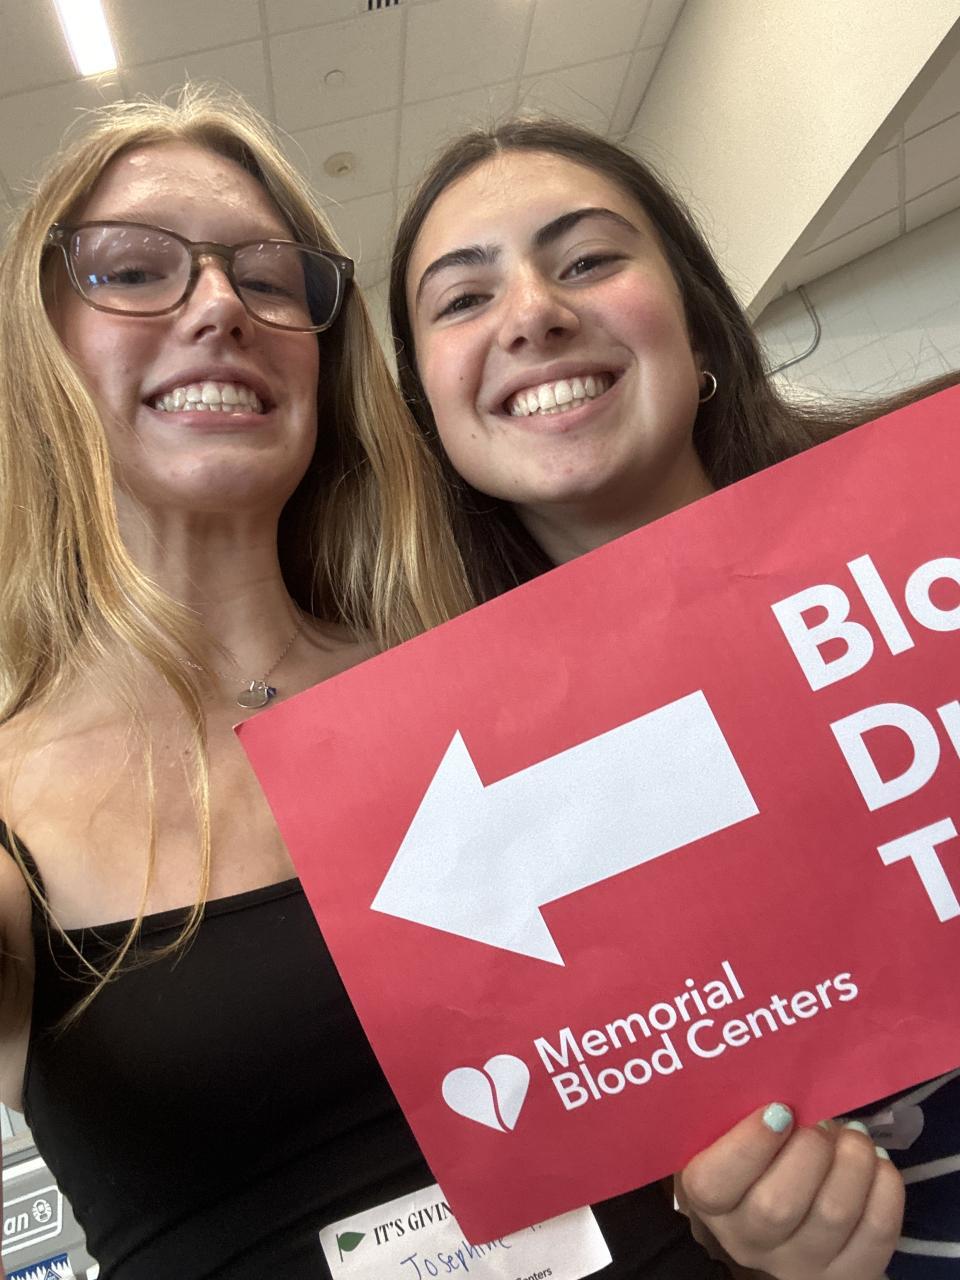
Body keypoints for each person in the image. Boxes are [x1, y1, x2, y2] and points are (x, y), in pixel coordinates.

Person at [0, 89, 742, 1280]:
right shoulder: (11, 802)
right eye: (133, 270)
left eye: (268, 277)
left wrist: (768, 1206)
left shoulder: (488, 670)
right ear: (42, 350)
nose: (219, 306)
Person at [389, 118, 959, 1280]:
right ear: (426, 412)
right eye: (463, 299)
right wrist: (745, 1244)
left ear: (697, 319)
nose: (533, 313)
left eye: (588, 257)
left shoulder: (936, 526)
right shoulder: (449, 802)